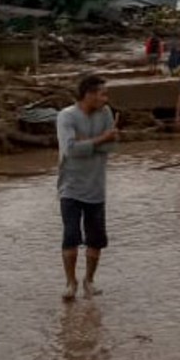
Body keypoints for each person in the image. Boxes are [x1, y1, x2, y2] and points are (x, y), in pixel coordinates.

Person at [55, 74, 118, 301]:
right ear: (89, 95)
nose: (106, 98)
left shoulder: (106, 114)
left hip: (96, 187)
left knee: (96, 239)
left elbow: (112, 147)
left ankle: (88, 281)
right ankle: (70, 282)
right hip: (70, 187)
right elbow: (70, 150)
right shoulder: (66, 116)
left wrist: (88, 141)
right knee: (70, 236)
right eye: (102, 94)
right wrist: (100, 139)